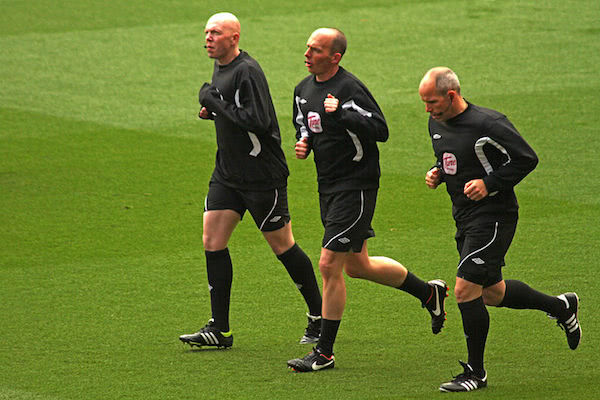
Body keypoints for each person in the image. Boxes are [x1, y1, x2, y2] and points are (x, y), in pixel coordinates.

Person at [286, 28, 448, 373]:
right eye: (307, 48)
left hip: (356, 185)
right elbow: (305, 126)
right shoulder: (302, 90)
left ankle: (324, 353)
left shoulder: (349, 89)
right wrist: (305, 144)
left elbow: (380, 129)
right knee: (357, 266)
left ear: (335, 57)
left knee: (329, 264)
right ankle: (429, 294)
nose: (307, 54)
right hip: (327, 186)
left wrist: (341, 112)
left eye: (315, 50)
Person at [418, 67, 582, 392]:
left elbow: (526, 158)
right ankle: (561, 306)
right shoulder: (435, 121)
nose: (427, 108)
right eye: (424, 102)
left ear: (451, 96)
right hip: (463, 216)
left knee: (464, 289)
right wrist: (437, 172)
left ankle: (475, 373)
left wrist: (490, 184)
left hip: (494, 216)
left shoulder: (488, 123)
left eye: (432, 101)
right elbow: (452, 159)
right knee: (491, 293)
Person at [179, 12, 323, 349]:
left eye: (215, 33)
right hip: (227, 173)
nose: (208, 38)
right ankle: (220, 328)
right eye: (206, 33)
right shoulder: (221, 66)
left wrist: (214, 102)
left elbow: (258, 121)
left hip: (261, 176)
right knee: (212, 240)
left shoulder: (247, 71)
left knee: (282, 245)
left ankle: (318, 316)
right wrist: (213, 109)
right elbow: (234, 109)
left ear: (234, 37)